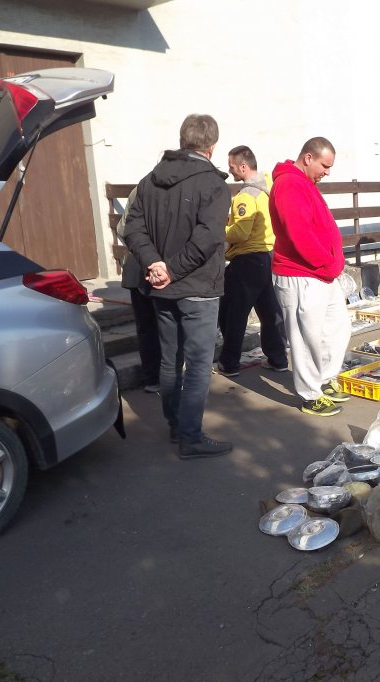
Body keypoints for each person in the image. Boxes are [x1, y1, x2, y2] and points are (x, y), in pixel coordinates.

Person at [123, 114, 233, 459]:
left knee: (170, 361)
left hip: (163, 285)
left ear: (183, 140)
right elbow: (208, 238)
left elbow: (132, 229)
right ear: (211, 147)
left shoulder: (149, 180)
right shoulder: (213, 184)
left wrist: (155, 264)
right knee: (197, 365)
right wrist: (168, 268)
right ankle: (190, 436)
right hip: (196, 286)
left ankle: (176, 427)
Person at [269, 137, 352, 417]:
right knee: (306, 336)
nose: (327, 172)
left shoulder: (305, 183)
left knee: (335, 327)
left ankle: (324, 378)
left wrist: (331, 264)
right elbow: (299, 234)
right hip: (300, 273)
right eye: (324, 166)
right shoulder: (289, 184)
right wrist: (326, 263)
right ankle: (310, 395)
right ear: (308, 158)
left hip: (320, 273)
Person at [215, 145, 289, 377]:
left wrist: (220, 230)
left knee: (233, 314)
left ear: (243, 166)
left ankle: (229, 363)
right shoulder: (267, 188)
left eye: (232, 166)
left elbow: (240, 232)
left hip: (246, 260)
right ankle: (278, 358)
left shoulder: (245, 196)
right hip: (267, 256)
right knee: (269, 312)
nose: (230, 170)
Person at [117, 186, 161, 394]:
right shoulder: (178, 188)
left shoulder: (138, 190)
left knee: (146, 327)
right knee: (166, 326)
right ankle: (165, 378)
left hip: (137, 266)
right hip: (162, 269)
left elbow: (122, 229)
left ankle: (152, 378)